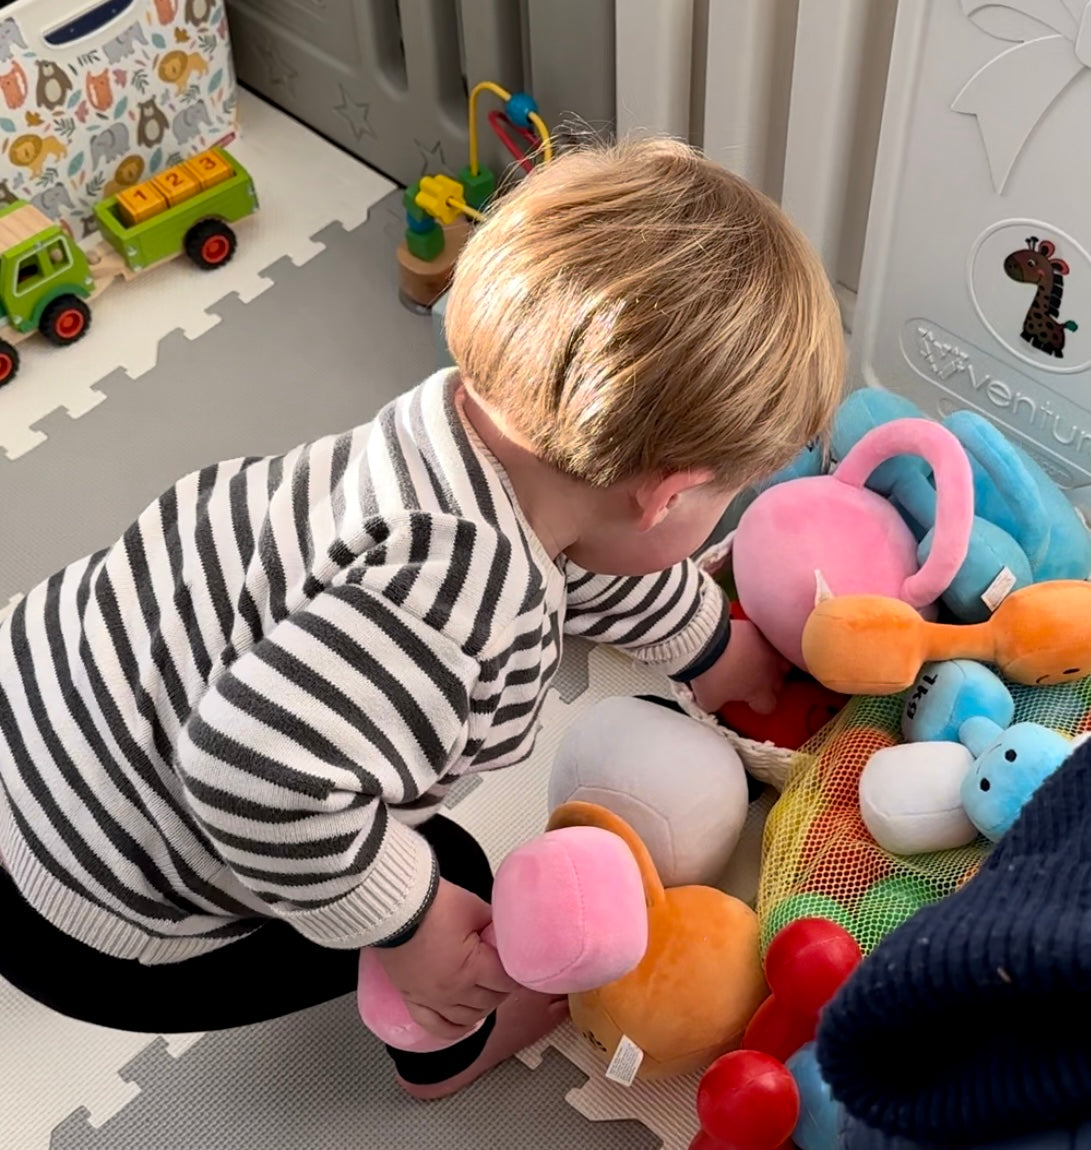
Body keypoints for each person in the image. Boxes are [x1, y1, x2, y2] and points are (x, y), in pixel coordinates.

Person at [0, 135, 844, 1098]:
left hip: (37, 708)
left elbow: (588, 556)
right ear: (669, 499)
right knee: (452, 875)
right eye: (723, 502)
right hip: (90, 911)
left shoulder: (467, 433)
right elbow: (252, 779)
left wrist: (709, 647)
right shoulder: (464, 604)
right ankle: (441, 1048)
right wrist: (412, 922)